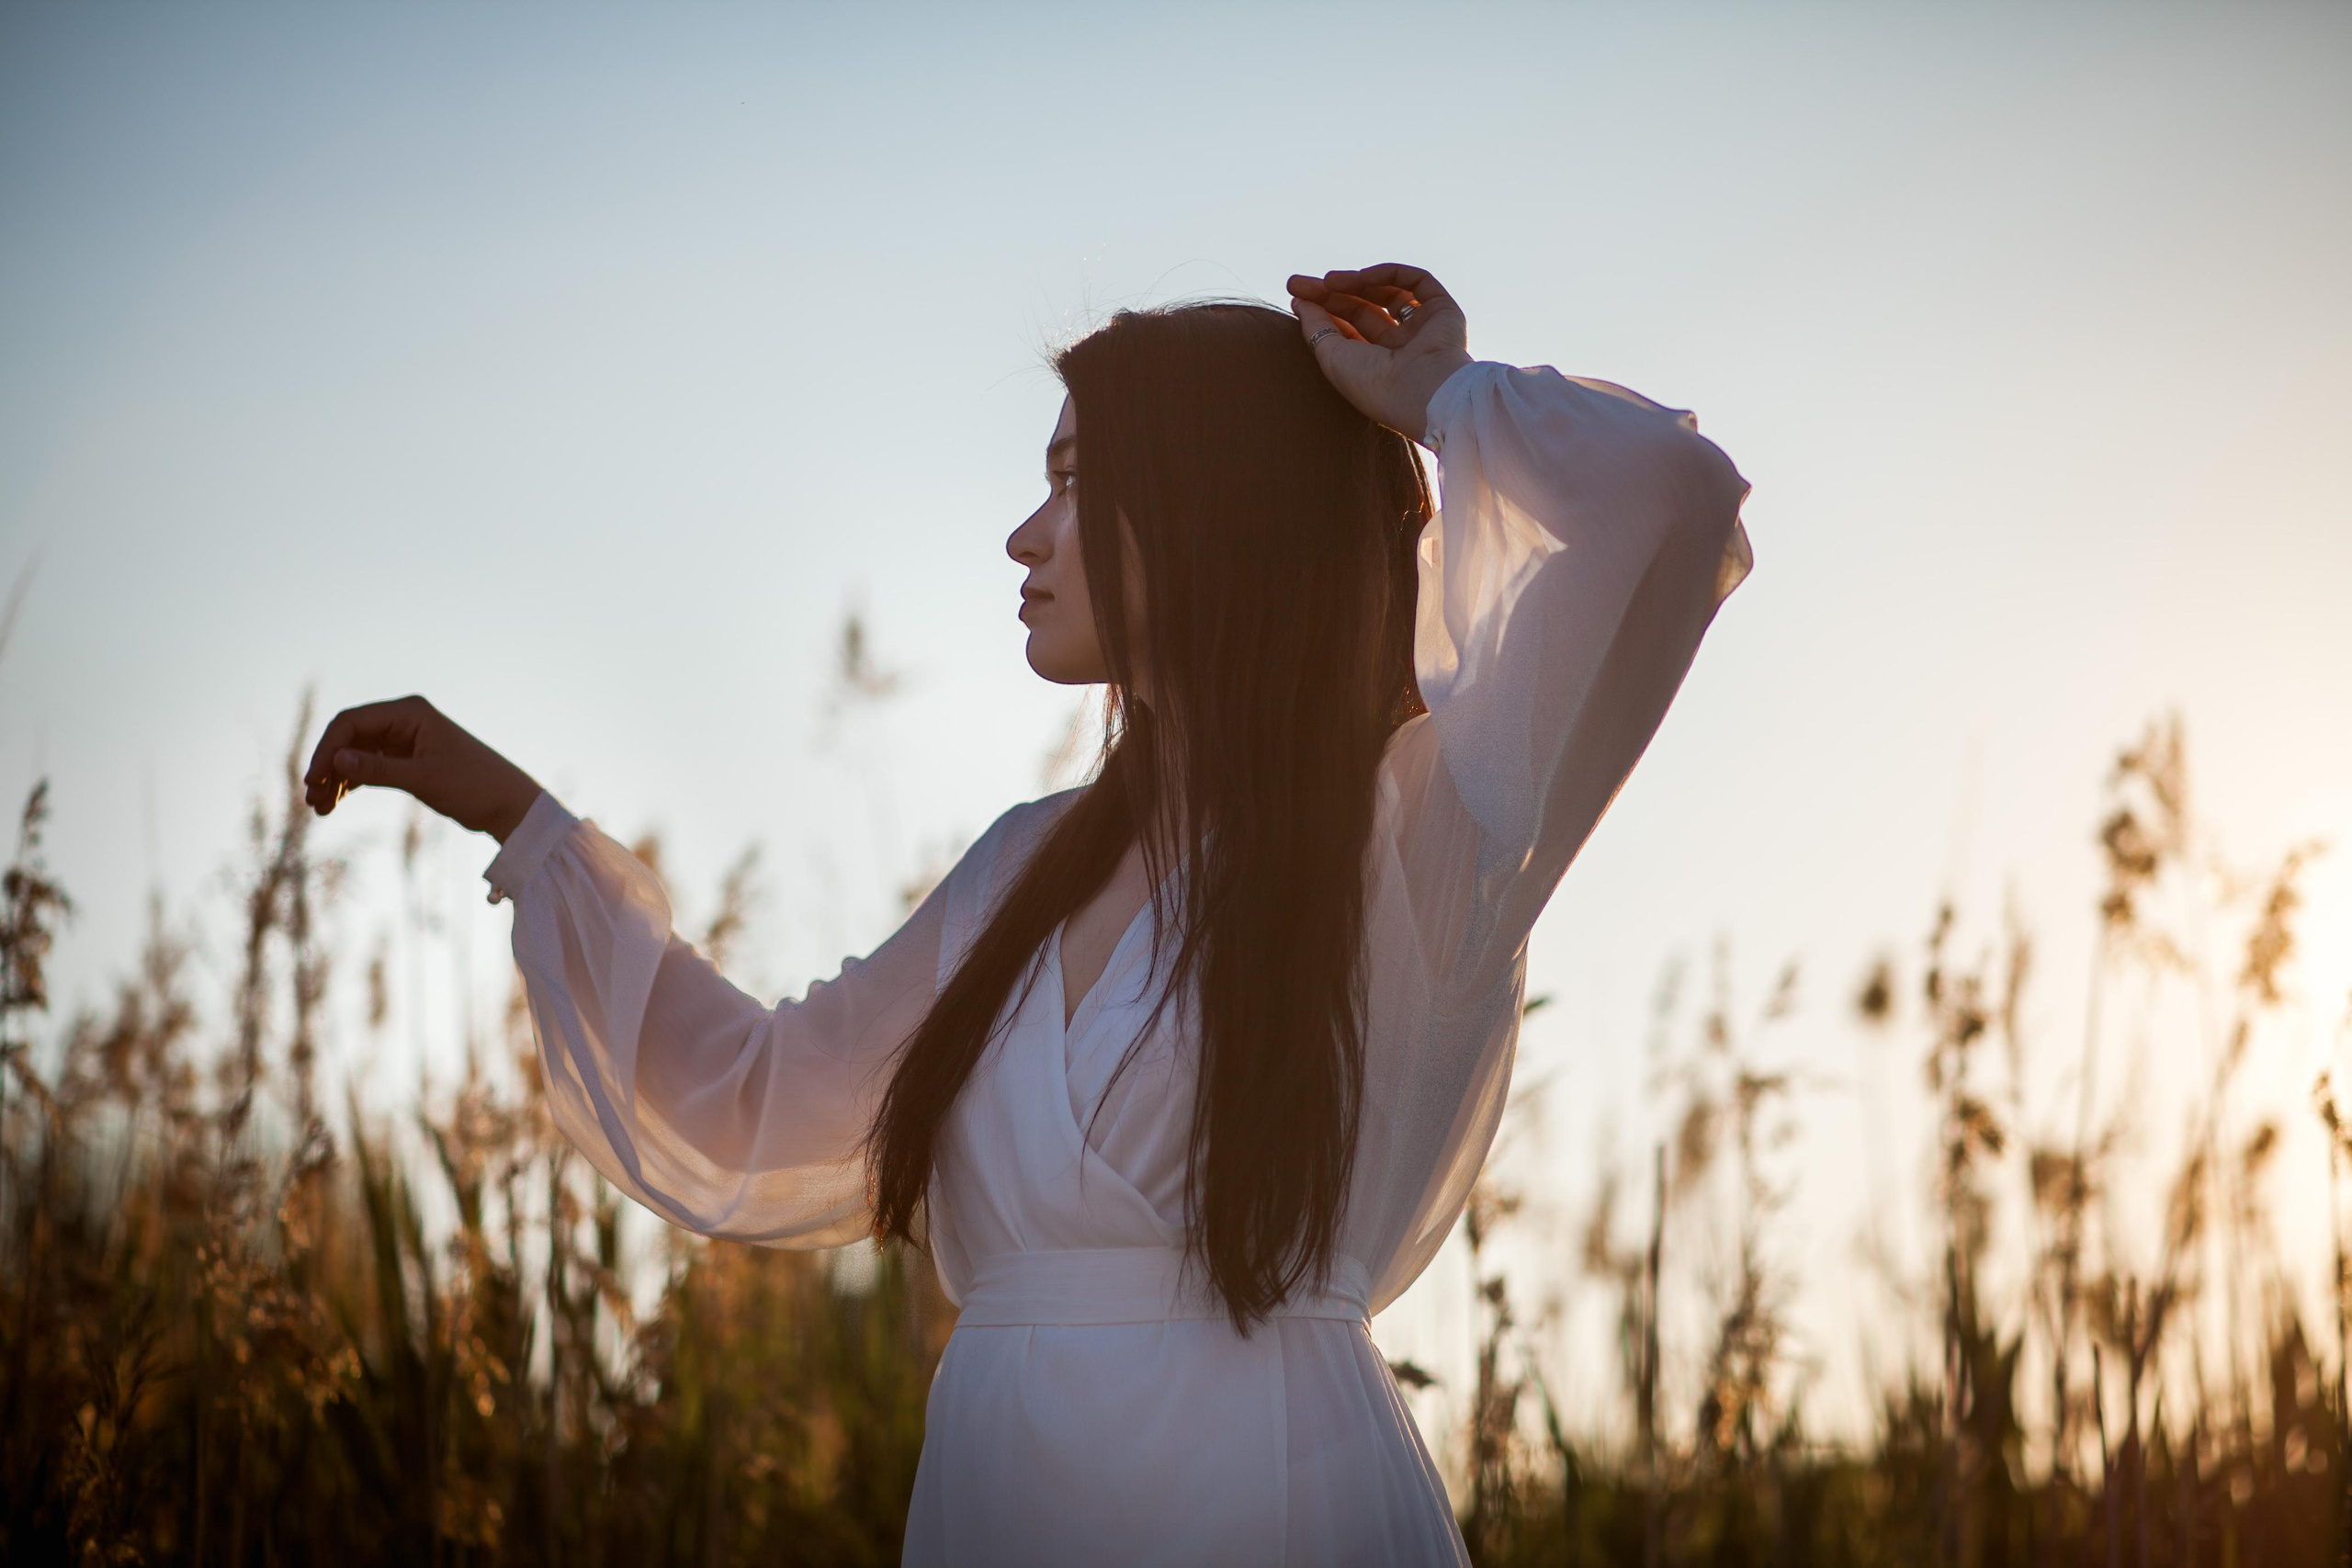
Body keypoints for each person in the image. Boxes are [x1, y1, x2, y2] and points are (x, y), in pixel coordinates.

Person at [304, 264, 1752, 1565]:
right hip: (1003, 1508)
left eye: (1074, 483)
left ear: (1217, 511)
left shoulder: (1427, 834)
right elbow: (748, 1105)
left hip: (1282, 1509)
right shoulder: (1018, 869)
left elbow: (1674, 511)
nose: (1022, 534)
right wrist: (520, 820)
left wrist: (1434, 396)